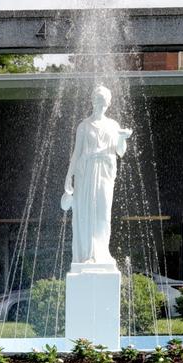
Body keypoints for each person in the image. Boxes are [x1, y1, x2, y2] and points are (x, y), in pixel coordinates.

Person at [60, 85, 131, 267]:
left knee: (103, 212)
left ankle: (102, 252)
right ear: (93, 101)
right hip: (86, 172)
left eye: (105, 102)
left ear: (108, 103)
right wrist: (69, 177)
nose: (102, 105)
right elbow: (76, 153)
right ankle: (88, 254)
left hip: (106, 172)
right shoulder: (83, 126)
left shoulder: (113, 125)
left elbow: (120, 152)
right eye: (98, 101)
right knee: (86, 213)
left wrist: (123, 138)